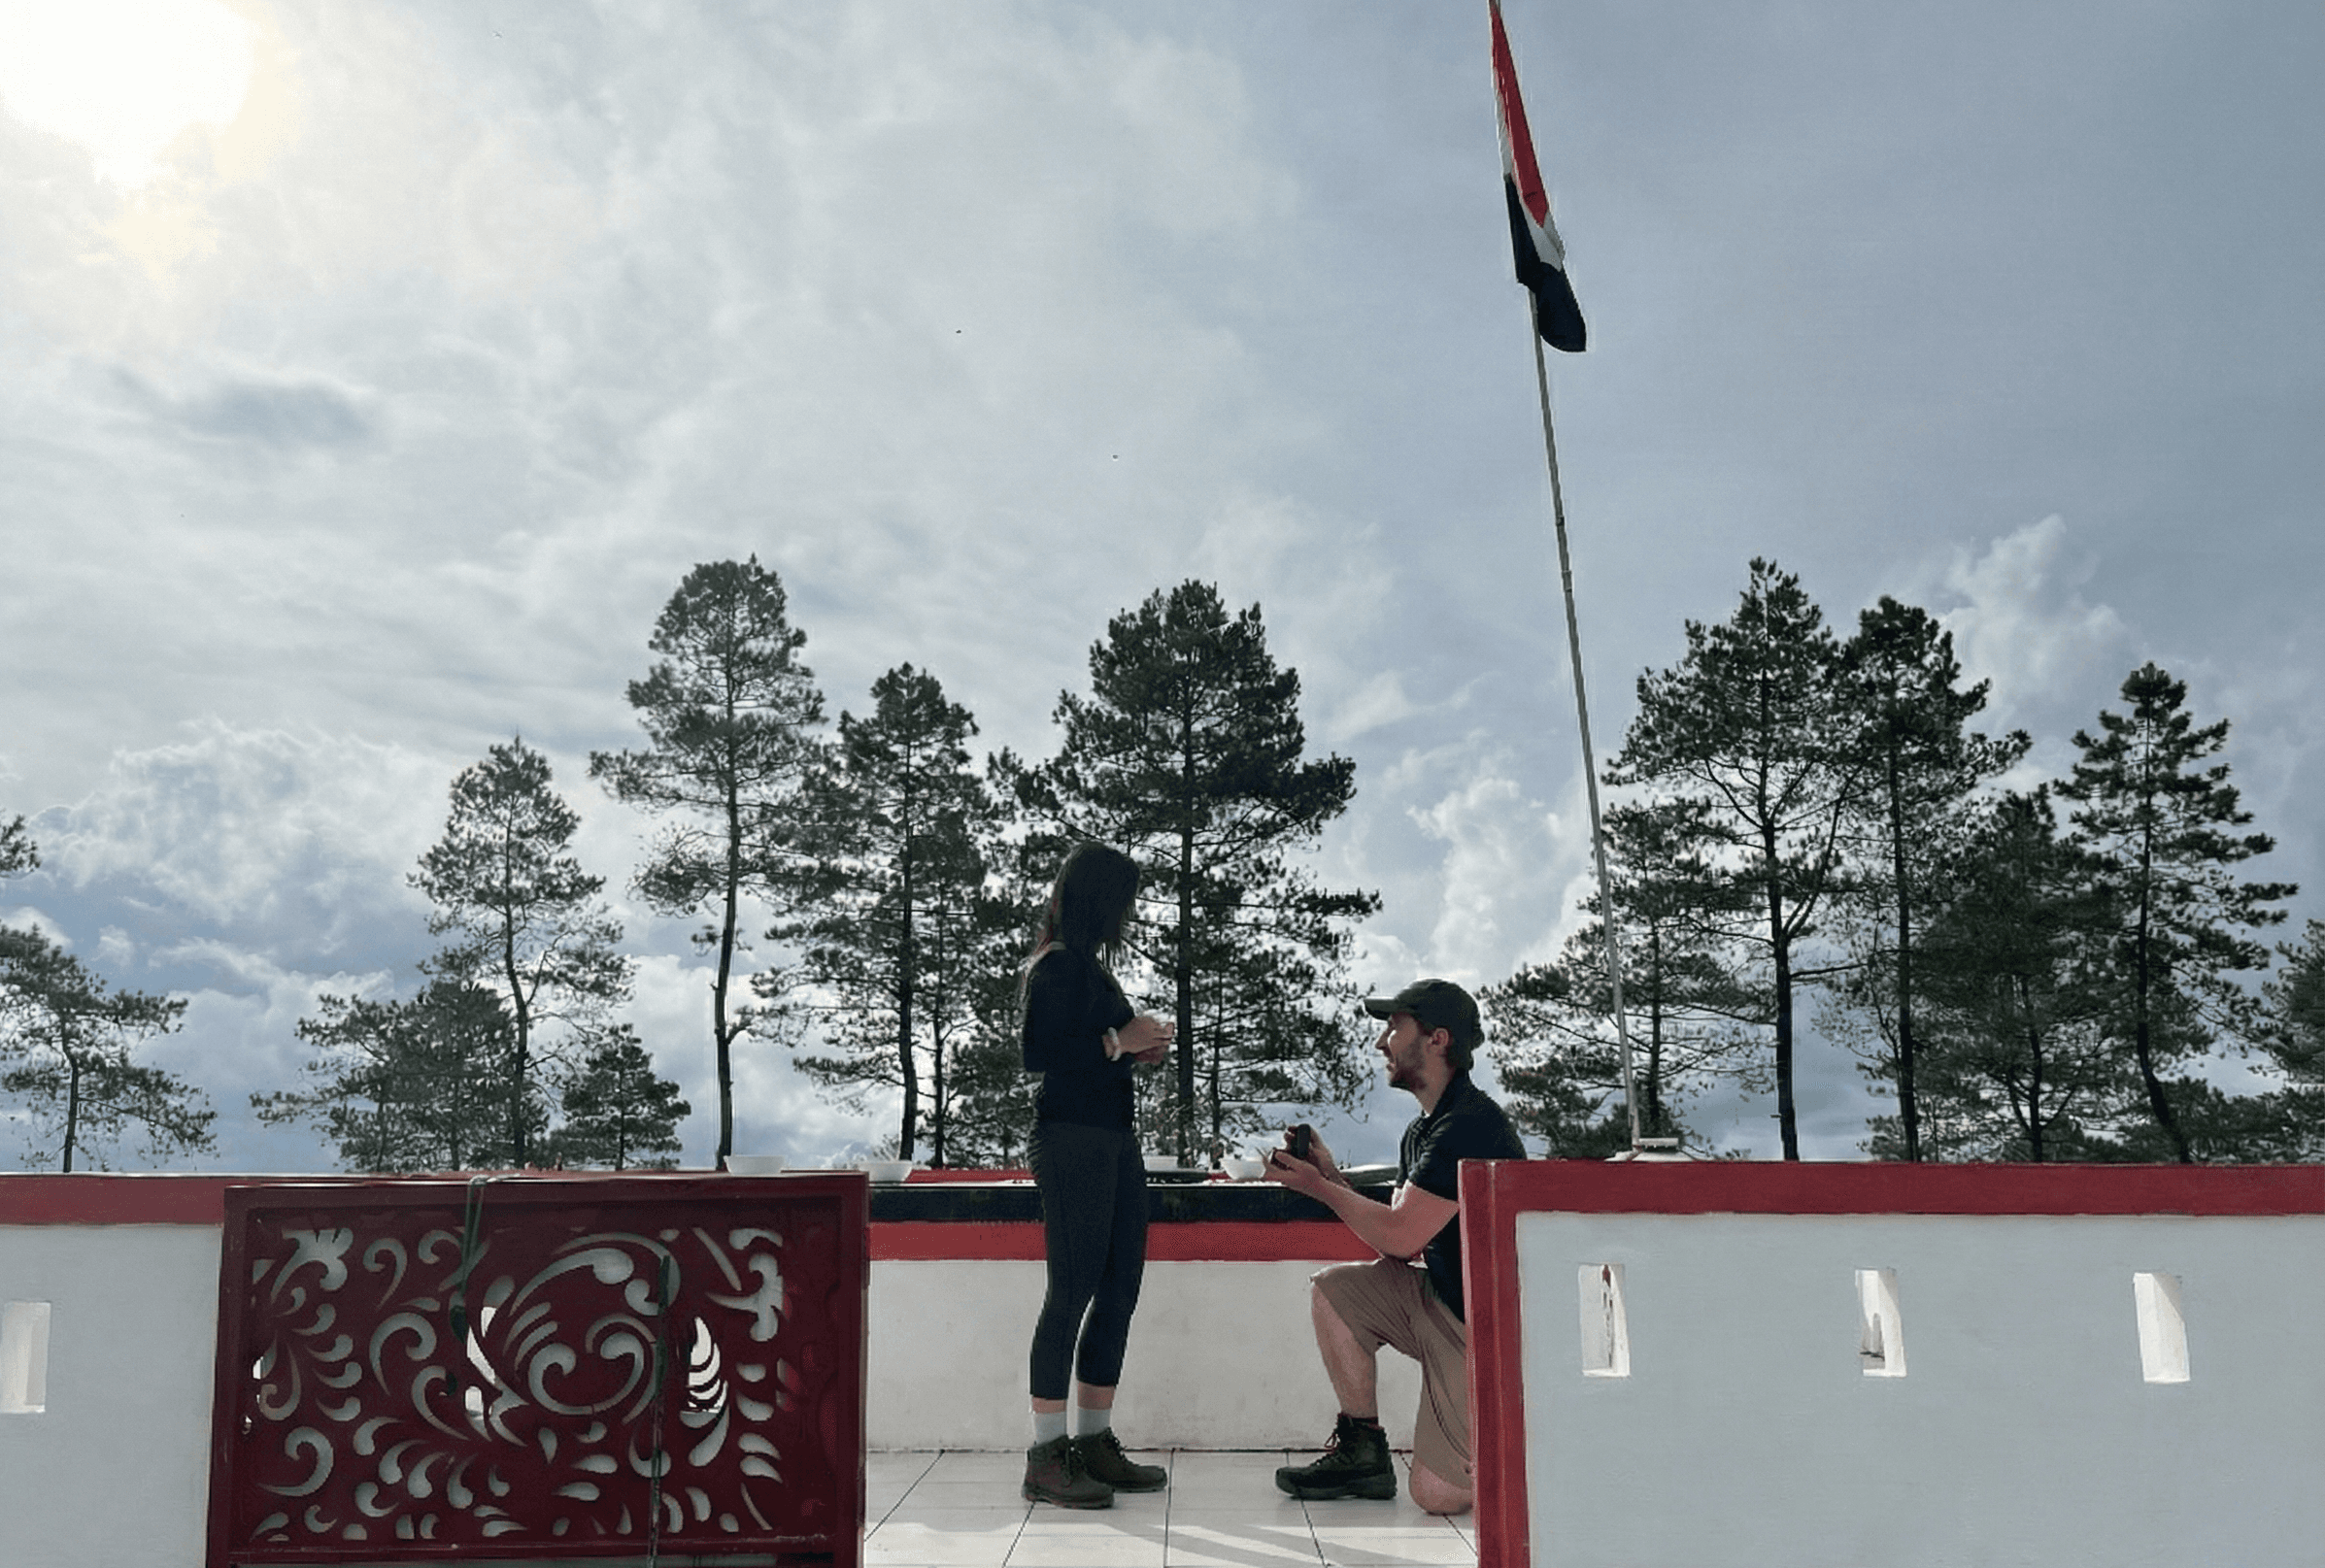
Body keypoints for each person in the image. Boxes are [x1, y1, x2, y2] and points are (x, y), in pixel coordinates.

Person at [1262, 978, 1525, 1516]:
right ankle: (1363, 1453)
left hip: (1484, 1328)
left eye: (1394, 1027)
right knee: (1338, 1292)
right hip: (1443, 1301)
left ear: (1437, 1039)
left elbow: (1401, 1235)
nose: (1382, 1043)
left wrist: (1317, 1186)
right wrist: (1331, 1175)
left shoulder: (1468, 1125)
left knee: (1439, 1497)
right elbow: (1402, 1248)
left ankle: (1523, 1441)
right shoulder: (1423, 1130)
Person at [1018, 843, 1177, 1508]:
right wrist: (1120, 1041)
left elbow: (1103, 1047)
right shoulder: (1053, 966)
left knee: (1118, 1289)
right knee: (1071, 1290)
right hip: (1069, 1140)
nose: (1130, 915)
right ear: (1098, 900)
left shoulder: (1089, 969)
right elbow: (1036, 1054)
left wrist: (1137, 1048)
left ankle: (1093, 1441)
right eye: (1124, 902)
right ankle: (1046, 1454)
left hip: (1112, 1138)